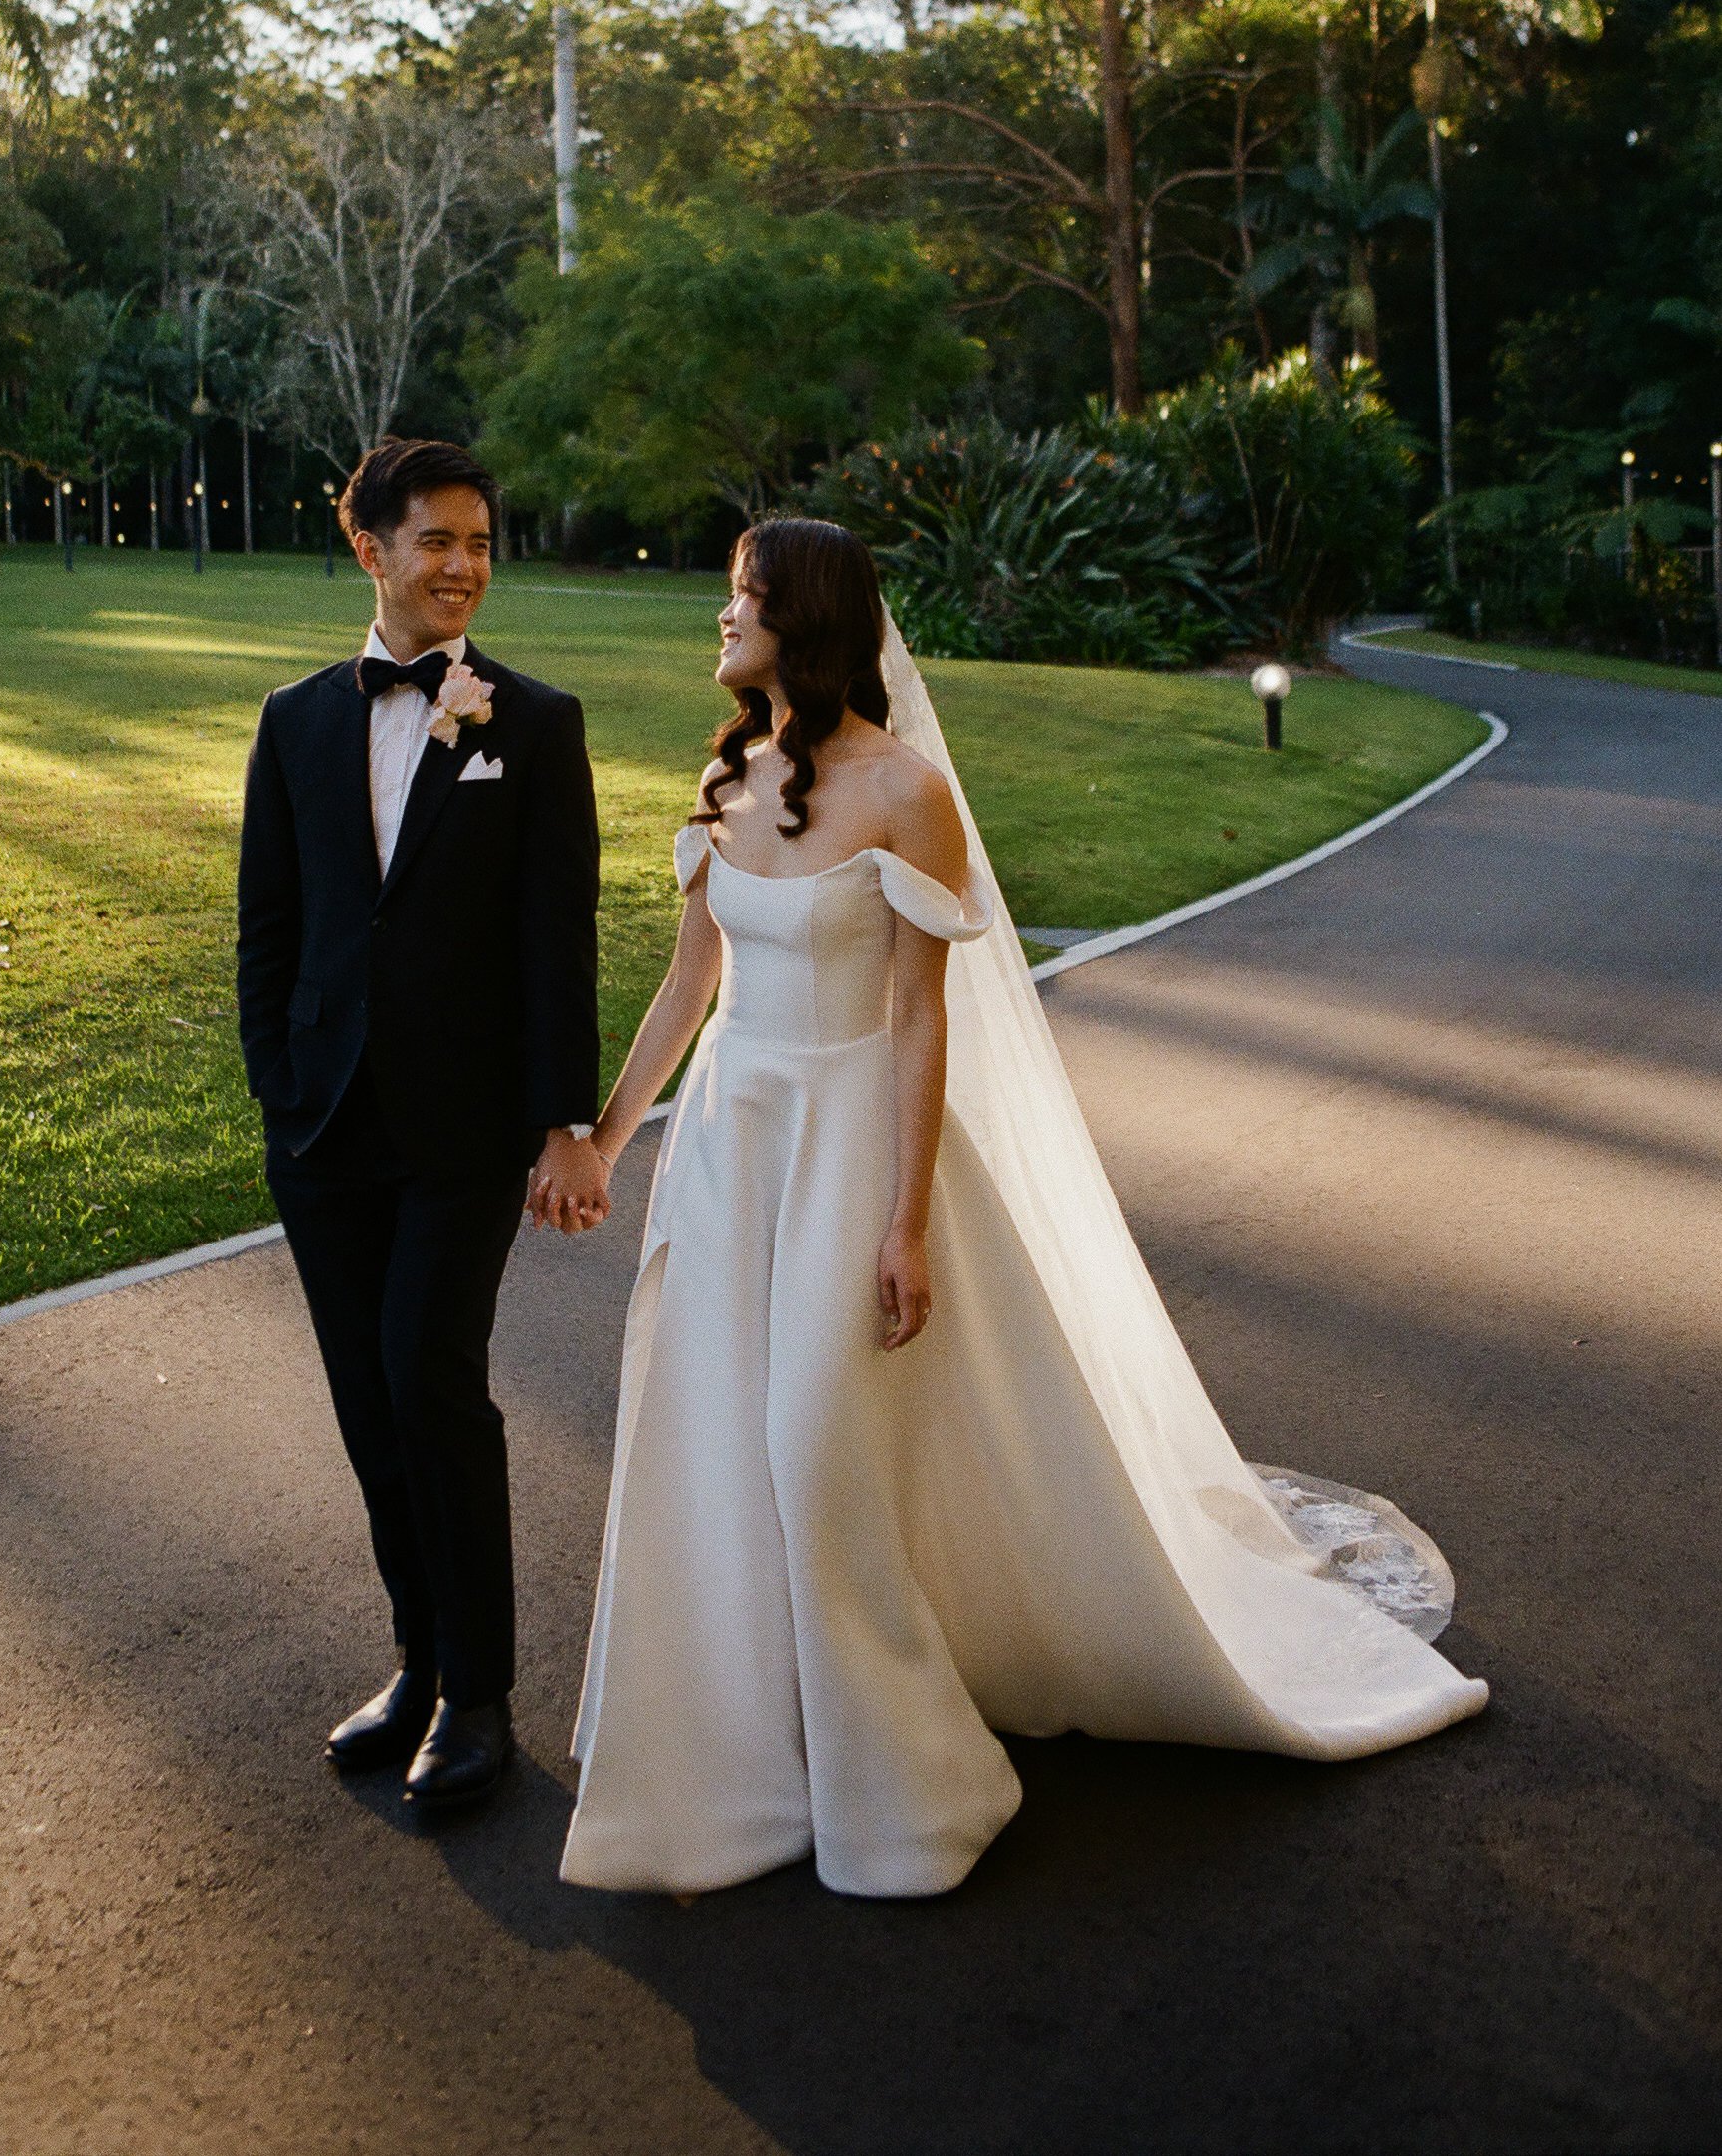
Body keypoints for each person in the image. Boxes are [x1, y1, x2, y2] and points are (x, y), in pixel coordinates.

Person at [534, 516, 1487, 1898]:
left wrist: (907, 1218)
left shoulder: (908, 791)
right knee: (720, 1450)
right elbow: (693, 986)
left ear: (803, 615)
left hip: (853, 1141)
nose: (719, 618)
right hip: (734, 1145)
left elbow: (922, 1022)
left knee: (815, 1449)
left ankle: (913, 1780)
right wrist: (611, 1136)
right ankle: (752, 1763)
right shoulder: (728, 770)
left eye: (741, 597)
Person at [237, 436, 599, 1813]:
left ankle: (484, 1693)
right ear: (370, 548)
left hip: (463, 1131)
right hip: (324, 1128)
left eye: (481, 542)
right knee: (363, 1398)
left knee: (428, 1379)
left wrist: (565, 1117)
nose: (462, 565)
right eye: (437, 539)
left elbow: (554, 943)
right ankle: (417, 1658)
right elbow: (269, 925)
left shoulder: (535, 722)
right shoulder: (296, 719)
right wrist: (278, 1077)